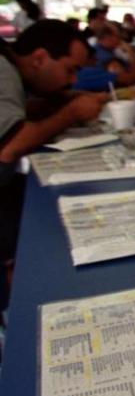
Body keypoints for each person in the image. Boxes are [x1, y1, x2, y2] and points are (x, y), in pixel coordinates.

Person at [1, 20, 109, 262]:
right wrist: (71, 113)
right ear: (39, 58)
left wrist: (64, 100)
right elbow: (8, 147)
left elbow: (20, 111)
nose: (73, 80)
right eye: (70, 70)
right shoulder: (3, 72)